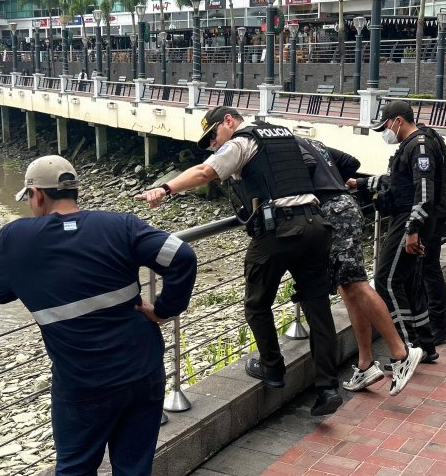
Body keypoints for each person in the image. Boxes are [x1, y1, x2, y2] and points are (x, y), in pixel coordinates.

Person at [0, 155, 197, 475]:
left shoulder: (16, 239)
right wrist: (165, 310)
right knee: (134, 467)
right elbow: (182, 256)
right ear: (74, 192)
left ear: (38, 194)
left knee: (75, 467)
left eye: (29, 197)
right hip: (142, 368)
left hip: (83, 382)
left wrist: (19, 283)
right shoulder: (119, 224)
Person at [136, 107, 342, 417]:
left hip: (280, 232)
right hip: (315, 225)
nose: (214, 145)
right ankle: (327, 387)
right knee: (318, 307)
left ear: (228, 121)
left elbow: (206, 172)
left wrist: (165, 188)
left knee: (256, 304)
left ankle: (272, 368)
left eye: (213, 137)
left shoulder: (243, 141)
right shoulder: (285, 135)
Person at [297, 136, 422, 395]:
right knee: (347, 289)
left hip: (334, 213)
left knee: (356, 285)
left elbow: (307, 168)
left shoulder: (290, 148)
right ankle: (365, 364)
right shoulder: (312, 142)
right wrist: (333, 182)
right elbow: (351, 162)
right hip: (343, 208)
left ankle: (401, 353)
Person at [349, 100, 446, 363]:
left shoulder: (419, 147)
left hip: (409, 221)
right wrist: (360, 183)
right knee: (410, 282)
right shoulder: (415, 145)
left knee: (387, 281)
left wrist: (412, 230)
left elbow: (424, 192)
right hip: (412, 220)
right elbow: (397, 182)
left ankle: (407, 349)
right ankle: (426, 346)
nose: (385, 132)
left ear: (397, 121)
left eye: (385, 126)